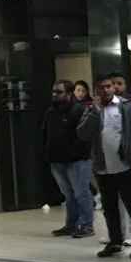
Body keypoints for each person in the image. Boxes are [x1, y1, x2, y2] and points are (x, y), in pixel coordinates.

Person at [81, 72, 131, 259]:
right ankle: (115, 242)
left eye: (108, 86)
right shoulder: (91, 109)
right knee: (109, 207)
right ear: (95, 90)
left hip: (125, 165)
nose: (105, 90)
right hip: (103, 168)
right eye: (101, 88)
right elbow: (82, 134)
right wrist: (94, 113)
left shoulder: (126, 107)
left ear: (113, 87)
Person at [43, 80, 93, 238]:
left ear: (69, 93)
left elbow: (85, 136)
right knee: (69, 195)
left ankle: (86, 225)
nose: (55, 95)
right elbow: (45, 134)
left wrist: (76, 152)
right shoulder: (50, 112)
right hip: (57, 160)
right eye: (53, 91)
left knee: (81, 193)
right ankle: (71, 224)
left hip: (77, 160)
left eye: (59, 92)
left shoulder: (79, 110)